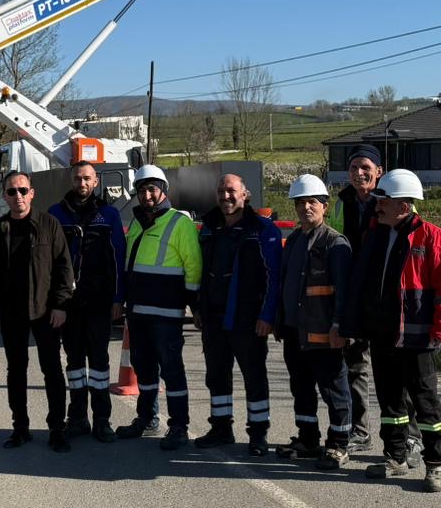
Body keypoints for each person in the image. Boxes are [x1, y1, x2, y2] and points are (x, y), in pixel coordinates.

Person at [339, 168, 441, 492]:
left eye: (383, 201)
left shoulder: (434, 238)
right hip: (383, 334)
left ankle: (436, 463)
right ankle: (395, 456)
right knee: (390, 401)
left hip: (419, 338)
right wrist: (355, 324)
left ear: (403, 206)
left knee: (425, 402)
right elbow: (362, 285)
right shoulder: (375, 235)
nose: (376, 205)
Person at [0, 170, 75, 451]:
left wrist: (60, 305)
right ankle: (20, 427)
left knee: (51, 370)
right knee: (16, 371)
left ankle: (57, 428)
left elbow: (63, 267)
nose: (18, 196)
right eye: (11, 192)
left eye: (22, 190)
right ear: (5, 196)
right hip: (12, 313)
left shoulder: (49, 224)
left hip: (46, 311)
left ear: (32, 193)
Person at [115, 164, 201, 450]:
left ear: (163, 191)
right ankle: (147, 419)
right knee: (144, 368)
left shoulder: (180, 222)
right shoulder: (139, 222)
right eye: (142, 190)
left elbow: (193, 266)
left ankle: (178, 426)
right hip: (139, 311)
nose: (148, 196)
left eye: (152, 189)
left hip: (166, 313)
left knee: (172, 370)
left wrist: (193, 306)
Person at [194, 173, 281, 455]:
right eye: (221, 191)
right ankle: (221, 428)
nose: (225, 196)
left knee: (254, 378)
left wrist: (267, 316)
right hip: (213, 319)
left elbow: (273, 277)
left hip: (248, 320)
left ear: (245, 194)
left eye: (231, 191)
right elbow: (199, 272)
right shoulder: (208, 227)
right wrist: (198, 308)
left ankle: (258, 433)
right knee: (217, 376)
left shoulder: (262, 229)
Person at [274, 174, 354, 470]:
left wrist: (339, 327)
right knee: (302, 388)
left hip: (324, 333)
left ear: (325, 206)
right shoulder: (294, 240)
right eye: (301, 202)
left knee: (334, 390)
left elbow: (343, 293)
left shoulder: (336, 243)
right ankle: (308, 440)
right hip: (295, 332)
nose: (306, 207)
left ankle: (338, 445)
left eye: (313, 202)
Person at [47, 161, 126, 443]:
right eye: (78, 178)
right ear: (72, 181)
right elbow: (49, 262)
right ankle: (78, 417)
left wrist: (118, 298)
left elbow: (118, 258)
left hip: (99, 301)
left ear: (95, 182)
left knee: (100, 362)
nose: (82, 184)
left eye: (87, 179)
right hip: (69, 303)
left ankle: (102, 420)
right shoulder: (56, 214)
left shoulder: (108, 215)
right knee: (75, 362)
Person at [328, 145, 384, 451]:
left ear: (379, 172)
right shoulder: (342, 204)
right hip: (354, 297)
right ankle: (360, 431)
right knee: (355, 367)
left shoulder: (392, 200)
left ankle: (407, 437)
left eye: (365, 167)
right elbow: (336, 246)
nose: (359, 173)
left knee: (395, 370)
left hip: (385, 298)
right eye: (353, 168)